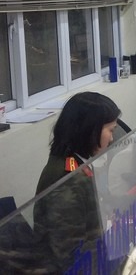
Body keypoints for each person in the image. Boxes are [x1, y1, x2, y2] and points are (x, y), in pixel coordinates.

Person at [34, 92, 120, 271]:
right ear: (90, 130)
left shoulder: (75, 163)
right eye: (110, 130)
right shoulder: (67, 181)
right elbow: (71, 255)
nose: (112, 139)